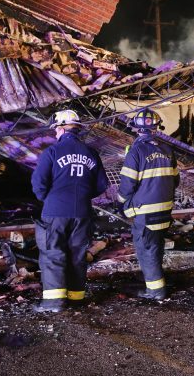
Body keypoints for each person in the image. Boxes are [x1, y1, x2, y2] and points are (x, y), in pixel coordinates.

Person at [31, 109, 109, 312]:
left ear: (61, 128)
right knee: (77, 254)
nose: (55, 134)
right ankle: (76, 298)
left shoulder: (52, 152)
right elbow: (101, 185)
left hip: (55, 210)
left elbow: (38, 183)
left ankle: (54, 302)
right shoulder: (91, 153)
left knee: (53, 253)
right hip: (82, 212)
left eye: (55, 130)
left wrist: (49, 200)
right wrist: (82, 197)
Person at [118, 108, 179, 300]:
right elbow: (175, 181)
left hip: (145, 212)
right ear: (156, 128)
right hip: (165, 210)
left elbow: (127, 185)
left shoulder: (136, 151)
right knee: (156, 246)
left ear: (136, 129)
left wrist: (120, 203)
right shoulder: (168, 150)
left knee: (146, 249)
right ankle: (156, 281)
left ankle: (155, 290)